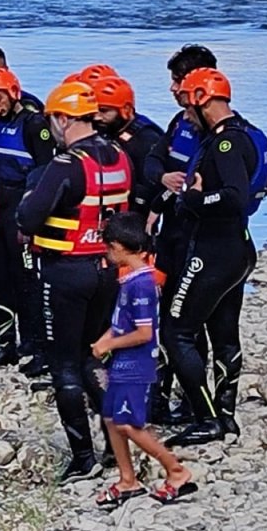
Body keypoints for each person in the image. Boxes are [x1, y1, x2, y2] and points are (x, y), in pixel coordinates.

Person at [17, 81, 131, 483]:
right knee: (92, 356)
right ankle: (120, 441)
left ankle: (83, 457)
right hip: (107, 270)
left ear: (64, 119)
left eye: (54, 121)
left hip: (66, 272)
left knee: (65, 365)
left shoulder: (65, 165)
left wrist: (29, 196)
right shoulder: (119, 155)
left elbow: (28, 218)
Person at [163, 68, 267, 447]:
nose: (184, 111)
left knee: (176, 331)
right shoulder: (247, 135)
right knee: (224, 334)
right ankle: (225, 415)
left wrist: (192, 198)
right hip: (237, 248)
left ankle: (207, 417)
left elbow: (233, 196)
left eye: (187, 102)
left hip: (213, 251)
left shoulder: (225, 144)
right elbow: (264, 185)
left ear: (200, 99)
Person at [91, 212, 197, 508]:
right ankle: (128, 479)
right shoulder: (130, 279)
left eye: (109, 248)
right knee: (111, 418)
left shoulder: (142, 285)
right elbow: (122, 320)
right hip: (121, 361)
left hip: (136, 364)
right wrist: (105, 339)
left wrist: (111, 343)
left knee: (129, 423)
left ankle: (176, 470)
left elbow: (143, 332)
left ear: (119, 247)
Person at [142, 45, 214, 425]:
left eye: (176, 80)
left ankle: (198, 404)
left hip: (200, 238)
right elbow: (153, 160)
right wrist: (163, 180)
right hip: (170, 233)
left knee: (187, 322)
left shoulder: (219, 131)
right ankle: (163, 395)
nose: (171, 89)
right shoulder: (179, 123)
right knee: (165, 315)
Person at [0, 68, 56, 373]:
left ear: (13, 93)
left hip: (20, 208)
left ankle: (35, 343)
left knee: (26, 279)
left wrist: (32, 215)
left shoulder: (34, 124)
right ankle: (7, 342)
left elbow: (47, 170)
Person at [91, 76, 163, 213]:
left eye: (104, 111)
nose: (97, 117)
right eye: (95, 111)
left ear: (126, 110)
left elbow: (150, 188)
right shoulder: (107, 128)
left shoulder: (146, 139)